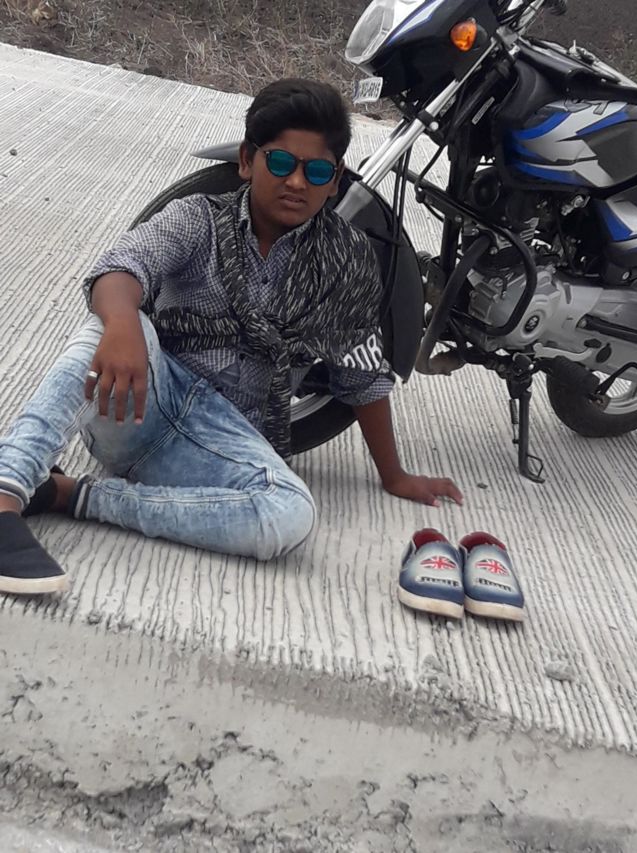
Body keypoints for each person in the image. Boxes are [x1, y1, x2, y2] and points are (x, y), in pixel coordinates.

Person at [0, 78, 463, 595]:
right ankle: (6, 491)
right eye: (281, 163)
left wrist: (393, 475)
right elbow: (121, 267)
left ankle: (68, 495)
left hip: (224, 438)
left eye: (317, 171)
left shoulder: (347, 262)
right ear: (247, 160)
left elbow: (362, 374)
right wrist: (125, 324)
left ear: (335, 182)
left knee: (289, 513)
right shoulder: (198, 219)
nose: (297, 183)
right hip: (141, 404)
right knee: (105, 328)